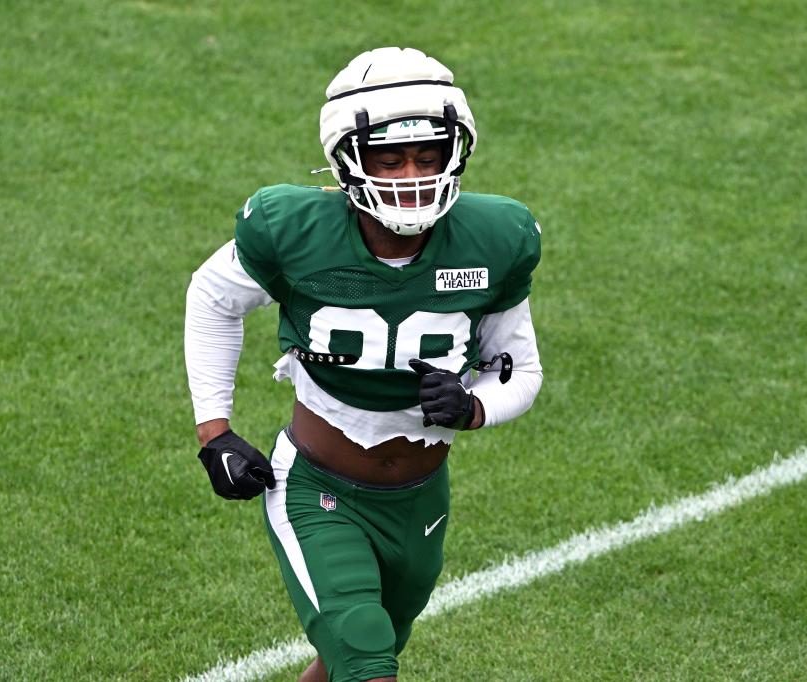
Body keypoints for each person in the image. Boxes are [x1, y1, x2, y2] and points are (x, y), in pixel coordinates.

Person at [185, 46, 543, 682]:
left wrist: (475, 406)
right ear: (348, 159)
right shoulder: (293, 229)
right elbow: (213, 299)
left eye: (428, 156)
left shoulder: (495, 238)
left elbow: (519, 368)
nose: (411, 174)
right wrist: (215, 432)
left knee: (350, 660)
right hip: (319, 488)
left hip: (421, 500)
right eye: (391, 157)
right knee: (367, 661)